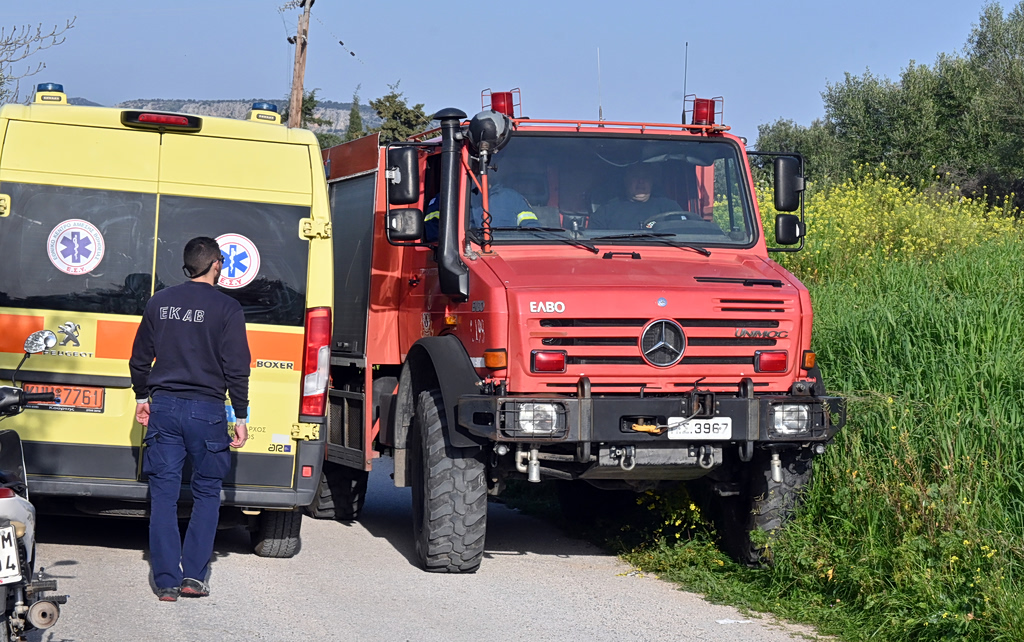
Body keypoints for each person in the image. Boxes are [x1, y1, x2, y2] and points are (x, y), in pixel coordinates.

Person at [129, 236, 250, 602]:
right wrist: (240, 415)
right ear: (216, 264)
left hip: (164, 408)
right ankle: (193, 577)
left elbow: (139, 359)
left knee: (164, 496)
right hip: (207, 411)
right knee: (207, 493)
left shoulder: (160, 302)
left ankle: (166, 580)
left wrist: (142, 397)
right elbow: (237, 368)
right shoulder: (228, 308)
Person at [590, 163, 684, 230]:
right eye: (635, 176)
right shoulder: (607, 211)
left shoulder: (670, 208)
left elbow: (683, 235)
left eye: (645, 177)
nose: (641, 181)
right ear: (626, 180)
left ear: (652, 181)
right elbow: (593, 242)